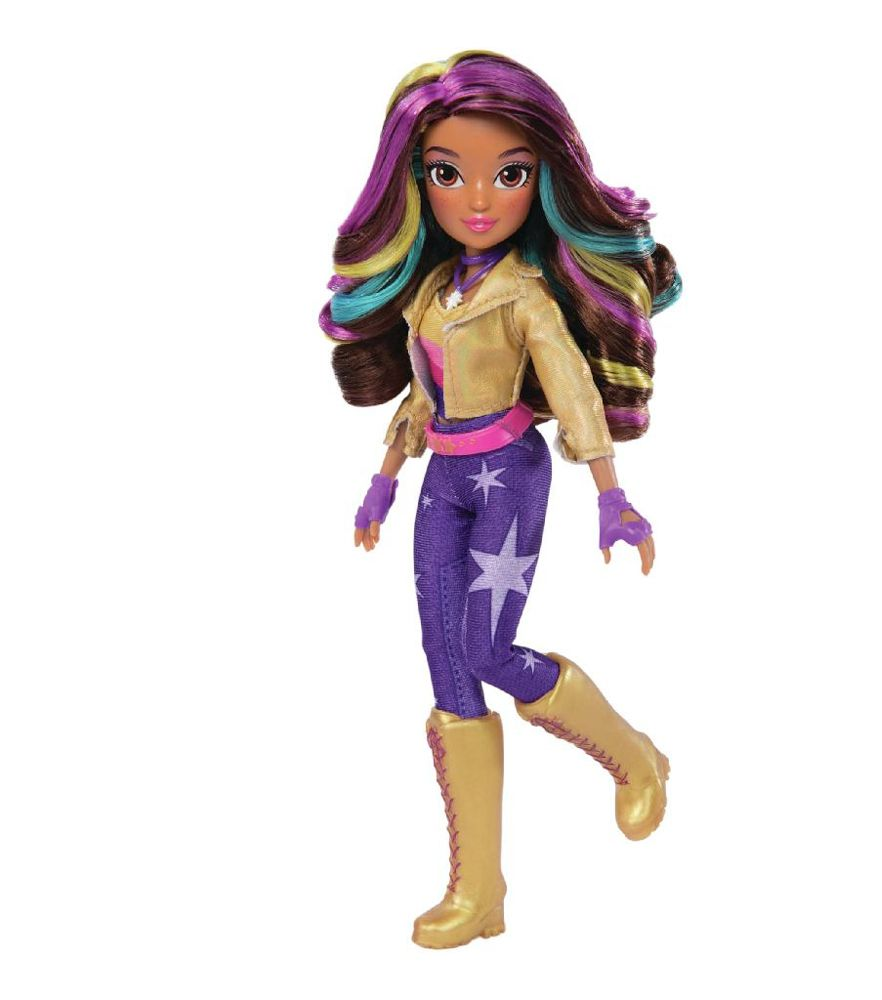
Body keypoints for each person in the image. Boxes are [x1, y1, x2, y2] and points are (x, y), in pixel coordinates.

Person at [320, 50, 682, 949]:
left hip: (509, 474)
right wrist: (383, 479)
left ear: (543, 180)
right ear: (416, 182)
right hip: (442, 481)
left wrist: (611, 494)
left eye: (509, 174)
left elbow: (571, 389)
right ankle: (478, 891)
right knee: (447, 666)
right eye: (450, 174)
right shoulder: (432, 291)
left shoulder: (526, 294)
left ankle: (632, 755)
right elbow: (423, 395)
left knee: (487, 647)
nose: (478, 200)